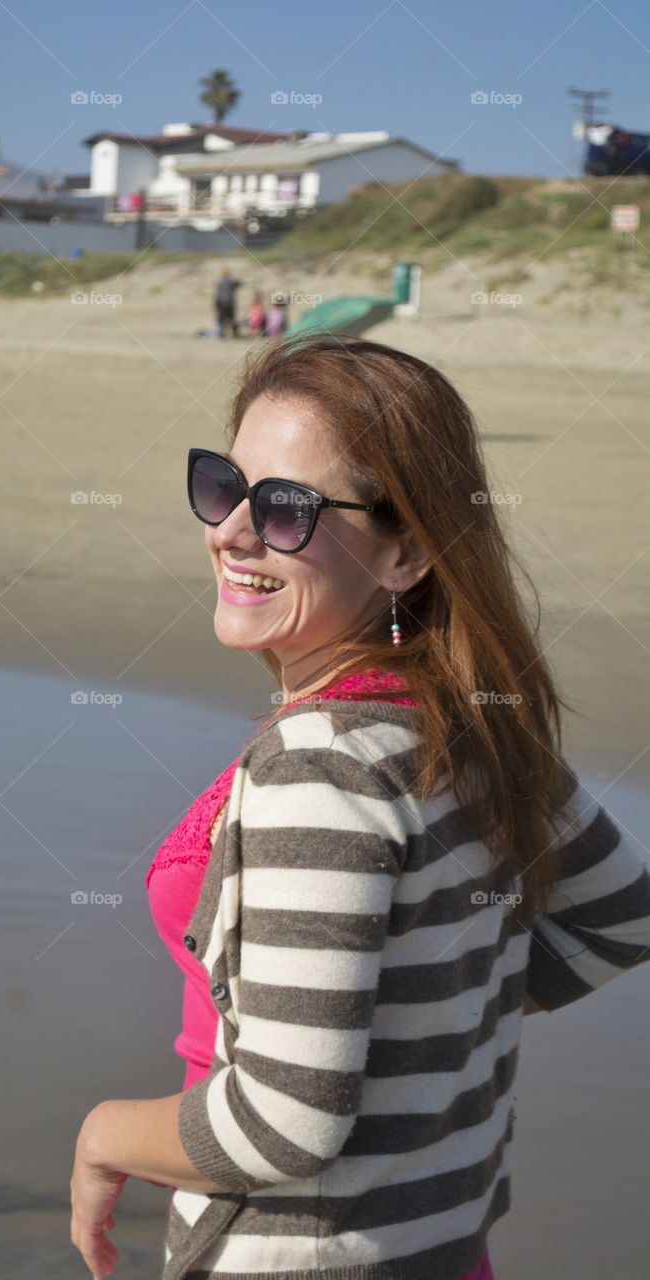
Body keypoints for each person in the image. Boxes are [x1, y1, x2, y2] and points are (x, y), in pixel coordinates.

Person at [70, 335, 650, 1280]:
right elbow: (621, 916)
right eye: (225, 489)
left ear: (408, 551)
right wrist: (419, 1031)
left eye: (288, 508)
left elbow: (280, 1122)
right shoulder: (470, 723)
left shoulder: (320, 769)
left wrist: (101, 1137)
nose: (232, 533)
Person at [213, 266, 241, 338]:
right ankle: (235, 334)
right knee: (232, 319)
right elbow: (239, 283)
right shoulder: (231, 281)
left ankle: (220, 334)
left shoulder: (219, 282)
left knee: (221, 320)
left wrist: (215, 305)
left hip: (222, 303)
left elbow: (218, 295)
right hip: (230, 303)